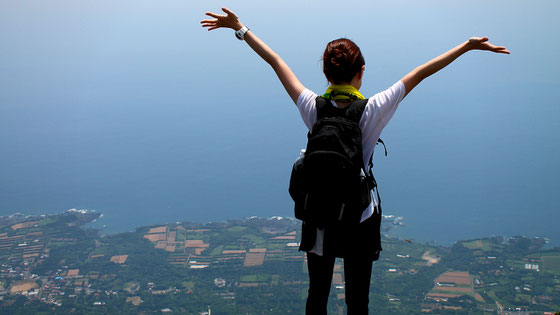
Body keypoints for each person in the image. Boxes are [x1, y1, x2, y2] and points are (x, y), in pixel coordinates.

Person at [201, 7, 509, 314]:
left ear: (326, 73)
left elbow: (276, 62)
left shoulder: (313, 107)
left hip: (319, 215)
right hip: (358, 219)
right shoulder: (373, 110)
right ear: (361, 71)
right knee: (357, 300)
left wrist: (240, 28)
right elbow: (419, 73)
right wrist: (466, 47)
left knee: (317, 294)